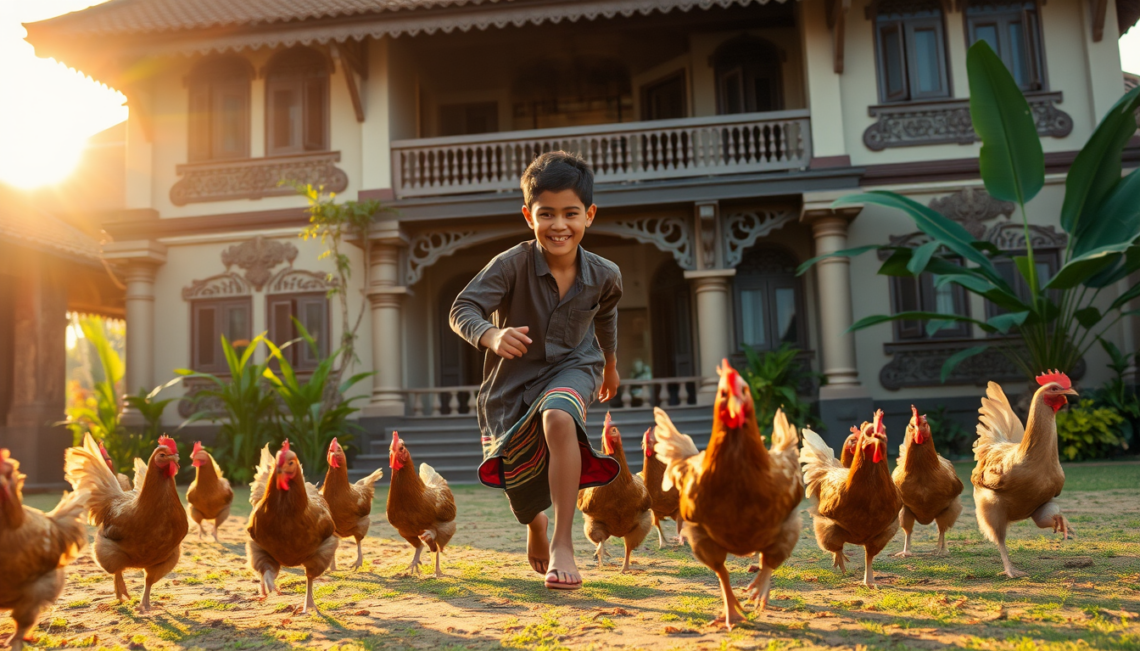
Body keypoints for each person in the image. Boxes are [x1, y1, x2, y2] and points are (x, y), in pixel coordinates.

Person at [450, 151, 623, 590]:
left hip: (576, 366)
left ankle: (564, 544)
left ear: (590, 215)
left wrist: (611, 367)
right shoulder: (512, 263)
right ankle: (536, 523)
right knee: (517, 470)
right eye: (546, 214)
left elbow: (605, 317)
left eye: (570, 213)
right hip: (513, 381)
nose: (558, 225)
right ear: (529, 216)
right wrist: (490, 335)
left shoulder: (605, 274)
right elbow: (463, 307)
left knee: (559, 416)